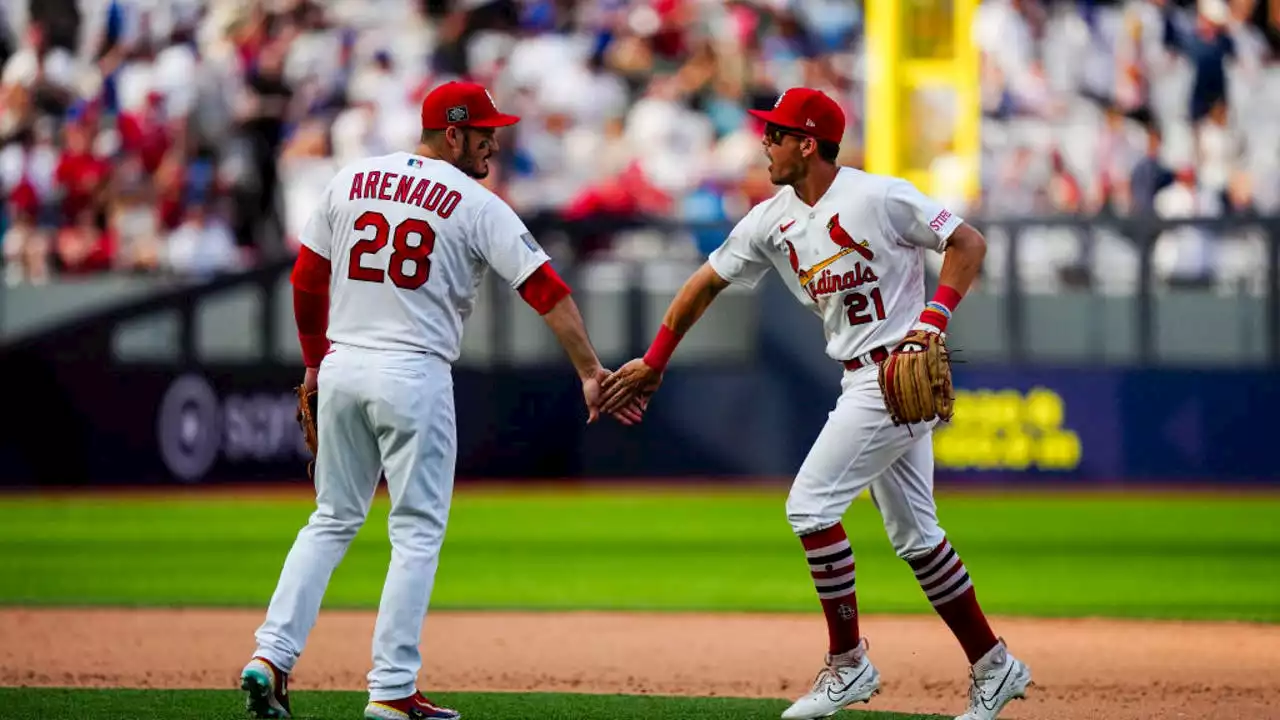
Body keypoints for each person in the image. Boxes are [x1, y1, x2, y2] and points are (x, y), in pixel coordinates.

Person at [600, 87, 1033, 720]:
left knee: (809, 506)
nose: (764, 142)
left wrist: (934, 320)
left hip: (895, 372)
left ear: (808, 143)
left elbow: (967, 243)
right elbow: (704, 283)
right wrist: (655, 359)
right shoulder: (770, 218)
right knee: (917, 536)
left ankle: (848, 663)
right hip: (862, 377)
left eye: (775, 133)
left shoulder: (878, 196)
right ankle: (995, 665)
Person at [239, 81, 640, 720]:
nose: (494, 141)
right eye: (483, 131)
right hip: (413, 372)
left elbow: (307, 275)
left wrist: (315, 363)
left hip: (343, 362)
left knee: (332, 518)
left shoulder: (352, 179)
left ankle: (270, 657)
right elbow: (548, 290)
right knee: (417, 531)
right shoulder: (475, 202)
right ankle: (392, 690)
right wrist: (590, 370)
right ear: (451, 134)